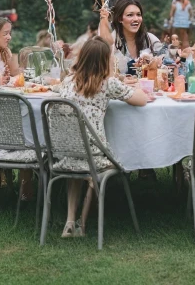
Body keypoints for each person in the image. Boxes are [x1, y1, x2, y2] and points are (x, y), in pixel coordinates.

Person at [59, 37, 147, 238]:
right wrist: (140, 86)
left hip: (67, 152)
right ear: (104, 61)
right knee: (92, 164)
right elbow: (141, 100)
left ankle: (69, 222)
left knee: (78, 164)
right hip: (95, 154)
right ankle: (82, 222)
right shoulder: (108, 84)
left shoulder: (67, 82)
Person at [98, 0, 164, 77]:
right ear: (120, 19)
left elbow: (166, 66)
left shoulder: (150, 40)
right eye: (130, 15)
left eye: (138, 15)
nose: (136, 19)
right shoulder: (112, 41)